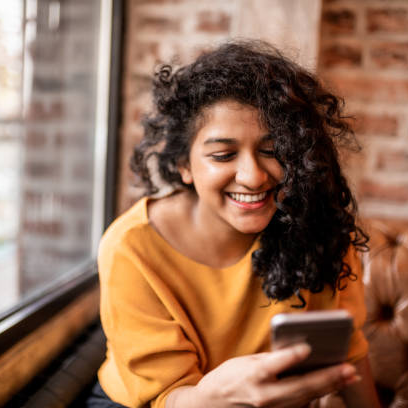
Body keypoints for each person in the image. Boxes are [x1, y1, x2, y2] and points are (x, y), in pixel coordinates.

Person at [87, 40, 381, 408]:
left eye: (273, 151)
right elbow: (166, 396)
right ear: (184, 164)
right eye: (223, 155)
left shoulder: (320, 227)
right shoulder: (132, 247)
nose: (253, 177)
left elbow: (348, 351)